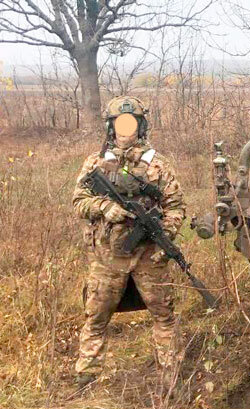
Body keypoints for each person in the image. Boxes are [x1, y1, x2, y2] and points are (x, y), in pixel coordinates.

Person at [72, 96, 185, 389]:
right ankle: (86, 376)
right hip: (107, 255)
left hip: (148, 255)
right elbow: (79, 201)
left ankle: (169, 378)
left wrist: (166, 235)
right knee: (96, 317)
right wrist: (104, 207)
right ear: (111, 128)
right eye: (120, 123)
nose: (126, 129)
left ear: (141, 125)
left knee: (164, 315)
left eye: (131, 122)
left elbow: (175, 206)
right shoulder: (95, 163)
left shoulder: (158, 166)